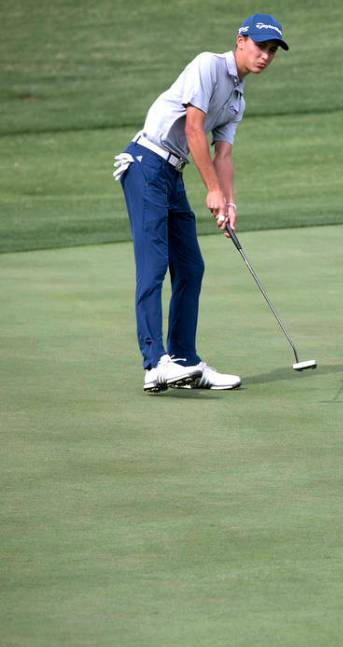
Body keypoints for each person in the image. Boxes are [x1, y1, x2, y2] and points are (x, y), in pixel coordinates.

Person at [113, 14, 289, 392]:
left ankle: (184, 362)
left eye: (272, 51)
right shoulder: (208, 65)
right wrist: (211, 190)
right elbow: (193, 127)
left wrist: (228, 202)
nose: (265, 56)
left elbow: (222, 155)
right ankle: (154, 364)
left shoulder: (238, 99)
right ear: (240, 40)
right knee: (155, 263)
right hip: (145, 164)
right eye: (261, 46)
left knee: (191, 266)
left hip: (171, 173)